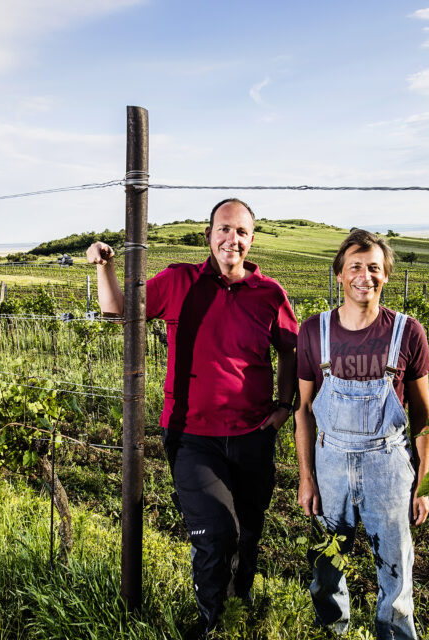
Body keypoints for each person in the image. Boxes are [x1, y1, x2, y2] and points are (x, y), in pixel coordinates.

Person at [86, 198, 298, 635]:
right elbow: (118, 310)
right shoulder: (179, 281)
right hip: (192, 435)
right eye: (224, 229)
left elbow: (290, 350)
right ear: (208, 235)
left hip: (253, 434)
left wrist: (283, 407)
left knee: (248, 533)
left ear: (252, 239)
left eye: (241, 231)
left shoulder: (270, 293)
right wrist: (105, 266)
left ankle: (236, 610)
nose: (232, 239)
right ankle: (210, 624)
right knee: (216, 532)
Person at [295, 229, 429, 640]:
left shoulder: (407, 331)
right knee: (327, 563)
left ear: (386, 275)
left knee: (395, 570)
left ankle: (394, 635)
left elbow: (424, 415)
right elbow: (303, 410)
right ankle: (331, 630)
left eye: (374, 267)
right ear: (339, 274)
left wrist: (423, 483)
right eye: (355, 266)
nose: (365, 276)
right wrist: (306, 478)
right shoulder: (314, 331)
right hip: (330, 464)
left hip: (388, 466)